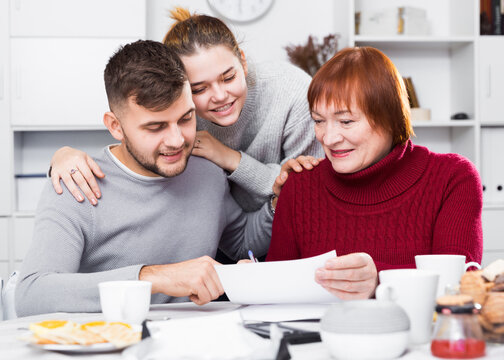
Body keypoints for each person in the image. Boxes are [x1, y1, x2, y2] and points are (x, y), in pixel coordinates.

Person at [15, 40, 274, 317]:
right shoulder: (77, 184)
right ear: (115, 126)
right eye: (156, 127)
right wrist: (155, 278)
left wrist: (278, 202)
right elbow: (31, 295)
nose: (177, 140)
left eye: (186, 119)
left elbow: (242, 242)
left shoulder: (207, 171)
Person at [48, 7, 323, 214]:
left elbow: (314, 191)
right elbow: (138, 150)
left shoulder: (291, 91)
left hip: (284, 227)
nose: (220, 96)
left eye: (228, 78)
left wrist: (230, 158)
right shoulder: (180, 114)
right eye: (199, 89)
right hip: (219, 239)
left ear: (243, 61)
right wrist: (63, 155)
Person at [267, 47, 483, 300]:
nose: (329, 138)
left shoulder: (452, 178)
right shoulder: (300, 185)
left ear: (390, 118)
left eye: (346, 121)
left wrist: (379, 280)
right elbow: (276, 296)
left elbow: (458, 289)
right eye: (318, 120)